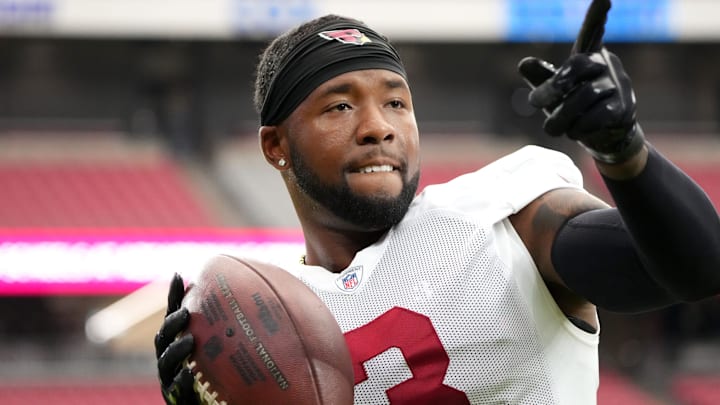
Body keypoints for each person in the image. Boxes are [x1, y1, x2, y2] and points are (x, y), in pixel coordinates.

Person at [154, 5, 720, 405]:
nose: (379, 128)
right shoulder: (270, 316)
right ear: (276, 146)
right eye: (339, 107)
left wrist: (625, 151)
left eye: (396, 102)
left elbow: (697, 267)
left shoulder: (497, 218)